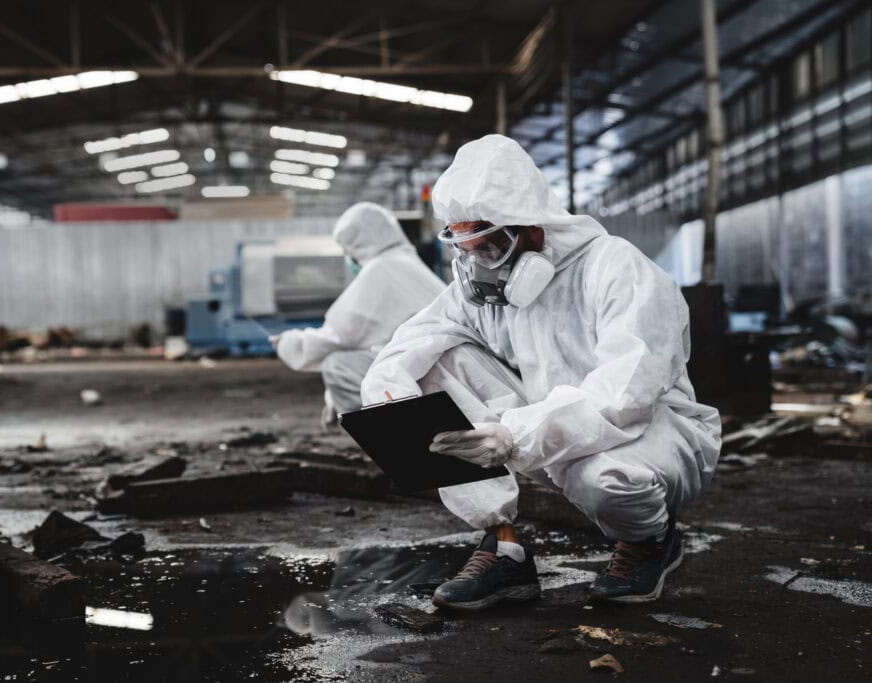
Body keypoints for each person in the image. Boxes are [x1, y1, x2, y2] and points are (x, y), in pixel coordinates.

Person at [360, 135, 721, 609]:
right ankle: (503, 545)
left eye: (490, 244)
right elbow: (406, 346)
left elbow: (626, 393)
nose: (478, 262)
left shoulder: (616, 268)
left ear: (533, 227)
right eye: (467, 246)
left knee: (606, 477)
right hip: (542, 428)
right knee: (427, 369)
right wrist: (391, 404)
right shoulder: (480, 289)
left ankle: (649, 540)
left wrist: (514, 434)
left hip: (651, 429)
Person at [272, 202, 445, 426]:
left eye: (348, 250)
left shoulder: (381, 269)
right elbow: (376, 342)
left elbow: (338, 337)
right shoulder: (407, 263)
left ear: (358, 244)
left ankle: (392, 438)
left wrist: (288, 343)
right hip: (442, 367)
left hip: (428, 375)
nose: (349, 257)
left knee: (338, 365)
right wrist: (332, 399)